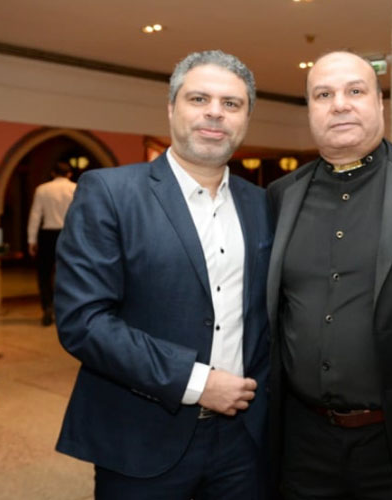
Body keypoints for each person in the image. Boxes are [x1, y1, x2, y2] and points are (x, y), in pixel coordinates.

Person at [54, 50, 272, 500]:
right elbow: (84, 322)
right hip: (141, 436)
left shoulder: (264, 204)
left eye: (231, 104)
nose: (215, 112)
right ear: (172, 108)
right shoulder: (110, 192)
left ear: (247, 119)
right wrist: (196, 382)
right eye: (199, 99)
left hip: (244, 439)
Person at [266, 51, 392, 500]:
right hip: (303, 439)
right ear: (310, 110)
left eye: (355, 91)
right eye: (323, 95)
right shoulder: (280, 195)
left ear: (379, 103)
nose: (340, 104)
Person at [27, 161, 76, 326]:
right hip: (69, 233)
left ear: (53, 173)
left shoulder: (42, 189)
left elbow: (35, 215)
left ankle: (47, 307)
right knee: (71, 273)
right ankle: (69, 309)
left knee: (44, 273)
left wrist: (31, 240)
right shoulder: (75, 188)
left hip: (48, 234)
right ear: (69, 174)